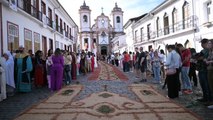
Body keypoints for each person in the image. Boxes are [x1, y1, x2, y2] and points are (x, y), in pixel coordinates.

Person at [206, 39, 213, 108]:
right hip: (209, 70)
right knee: (211, 86)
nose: (208, 45)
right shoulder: (210, 52)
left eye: (210, 43)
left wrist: (210, 62)